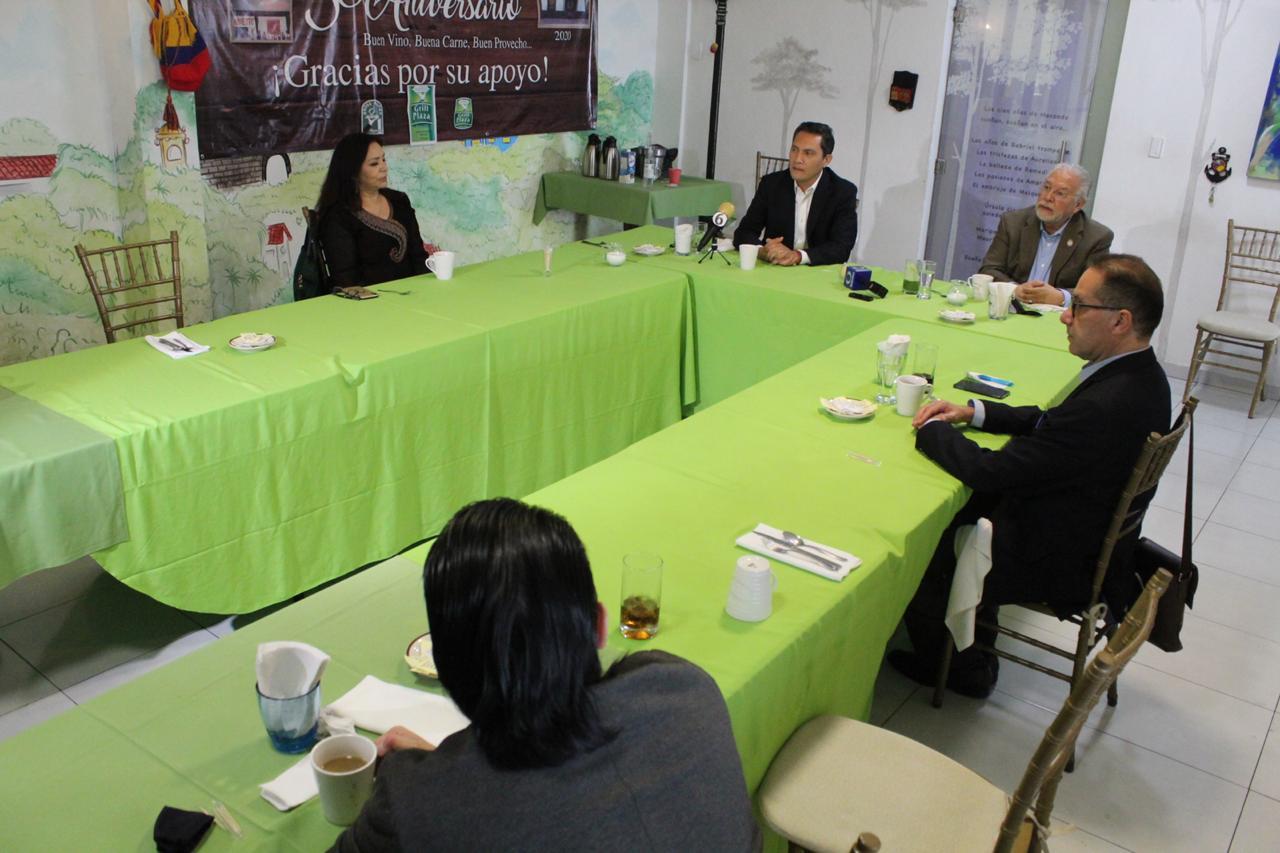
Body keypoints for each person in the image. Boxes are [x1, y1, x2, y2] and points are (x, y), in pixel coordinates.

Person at [331, 498, 760, 851]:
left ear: (441, 664)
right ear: (598, 625)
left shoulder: (412, 807)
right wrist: (443, 773)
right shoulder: (683, 688)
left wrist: (428, 783)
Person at [890, 254, 1171, 698]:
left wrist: (934, 430)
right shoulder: (1142, 375)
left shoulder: (1106, 405)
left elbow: (991, 471)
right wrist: (974, 411)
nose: (1064, 316)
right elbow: (1049, 422)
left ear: (1120, 321)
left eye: (1079, 306)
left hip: (1057, 553)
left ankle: (961, 669)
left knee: (926, 531)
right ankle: (966, 643)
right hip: (1091, 532)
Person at [978, 163, 1113, 307]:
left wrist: (1061, 297)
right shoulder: (1013, 222)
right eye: (1046, 187)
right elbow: (989, 269)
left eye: (1060, 193)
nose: (1048, 197)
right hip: (1013, 308)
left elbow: (1096, 292)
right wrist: (1014, 289)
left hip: (1057, 319)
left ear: (1078, 205)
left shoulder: (1097, 238)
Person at [732, 121, 859, 266]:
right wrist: (762, 251)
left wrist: (798, 256)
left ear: (826, 160)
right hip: (774, 270)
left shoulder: (842, 192)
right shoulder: (771, 184)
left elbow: (841, 248)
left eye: (808, 153)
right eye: (794, 150)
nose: (797, 159)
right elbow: (744, 233)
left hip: (817, 276)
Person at [316, 133, 431, 288]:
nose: (384, 167)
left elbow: (418, 256)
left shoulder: (399, 201)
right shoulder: (338, 216)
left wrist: (427, 290)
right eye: (374, 164)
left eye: (383, 159)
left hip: (413, 294)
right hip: (368, 304)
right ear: (353, 171)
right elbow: (345, 279)